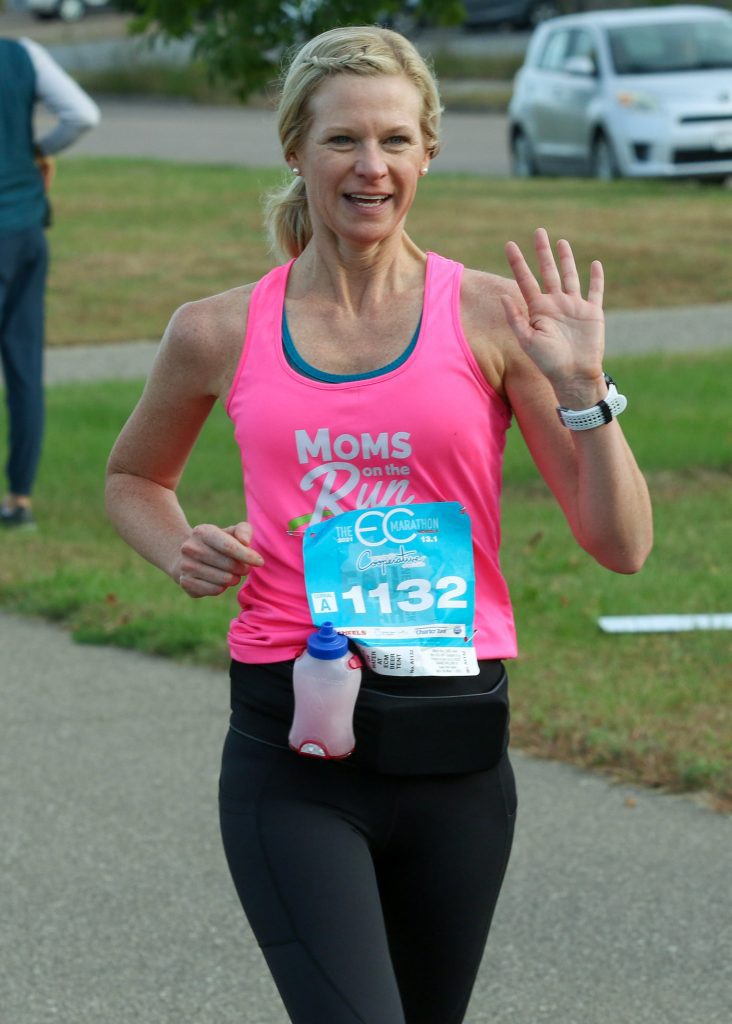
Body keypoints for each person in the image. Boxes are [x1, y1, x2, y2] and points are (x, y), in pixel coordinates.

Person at [105, 25, 652, 1024]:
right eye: (342, 140)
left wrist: (584, 391)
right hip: (295, 747)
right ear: (294, 149)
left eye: (396, 140)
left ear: (428, 151)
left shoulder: (496, 317)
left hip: (456, 744)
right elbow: (134, 477)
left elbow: (622, 545)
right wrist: (178, 545)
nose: (371, 166)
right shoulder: (216, 328)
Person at [0, 36, 100, 529]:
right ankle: (19, 499)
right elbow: (82, 115)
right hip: (25, 229)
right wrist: (35, 151)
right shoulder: (22, 54)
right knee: (24, 366)